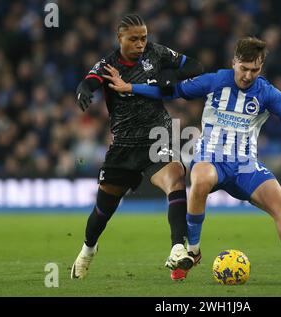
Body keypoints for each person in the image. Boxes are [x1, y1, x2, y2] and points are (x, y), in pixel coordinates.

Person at [102, 37, 281, 284]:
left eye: (254, 70)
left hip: (245, 164)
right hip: (210, 159)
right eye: (244, 68)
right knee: (201, 178)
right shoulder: (215, 80)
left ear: (261, 67)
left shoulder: (267, 92)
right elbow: (172, 91)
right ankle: (192, 251)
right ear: (234, 62)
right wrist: (130, 88)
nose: (248, 75)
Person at [71, 14, 204, 281]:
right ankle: (88, 249)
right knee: (103, 210)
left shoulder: (157, 53)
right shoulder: (108, 64)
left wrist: (170, 74)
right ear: (119, 38)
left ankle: (178, 247)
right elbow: (90, 80)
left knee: (176, 177)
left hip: (157, 137)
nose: (141, 43)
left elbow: (196, 67)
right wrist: (84, 89)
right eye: (134, 39)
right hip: (123, 146)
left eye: (144, 37)